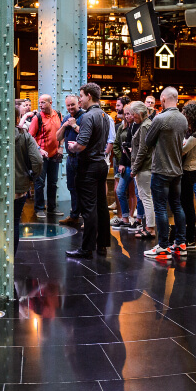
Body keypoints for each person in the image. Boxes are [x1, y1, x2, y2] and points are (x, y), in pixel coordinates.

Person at [134, 87, 187, 260]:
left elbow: (148, 141)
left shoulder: (161, 118)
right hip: (177, 170)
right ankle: (181, 244)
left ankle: (163, 247)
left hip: (161, 169)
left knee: (160, 208)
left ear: (163, 99)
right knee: (177, 206)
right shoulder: (182, 119)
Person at [66, 83, 111, 259]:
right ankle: (102, 245)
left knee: (89, 208)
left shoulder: (87, 116)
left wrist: (73, 147)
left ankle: (86, 248)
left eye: (81, 96)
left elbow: (82, 143)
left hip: (89, 166)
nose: (80, 99)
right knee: (102, 207)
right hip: (101, 164)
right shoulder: (104, 115)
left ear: (89, 96)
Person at [28, 94, 63, 219]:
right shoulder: (37, 118)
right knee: (39, 183)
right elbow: (30, 137)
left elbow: (62, 132)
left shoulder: (58, 115)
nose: (40, 105)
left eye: (43, 102)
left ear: (50, 102)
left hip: (54, 155)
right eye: (40, 103)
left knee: (53, 183)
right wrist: (39, 149)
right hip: (41, 156)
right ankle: (39, 208)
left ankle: (52, 208)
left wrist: (61, 147)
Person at [14, 107, 44, 248]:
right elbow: (37, 161)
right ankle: (11, 260)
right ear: (18, 118)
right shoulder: (25, 136)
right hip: (18, 188)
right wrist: (32, 177)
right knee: (14, 223)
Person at [180, 101, 196, 246]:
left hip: (189, 171)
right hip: (190, 171)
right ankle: (188, 237)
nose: (183, 117)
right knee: (186, 204)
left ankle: (190, 239)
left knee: (187, 205)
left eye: (185, 114)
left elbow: (182, 151)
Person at [129, 101, 155, 239]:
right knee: (146, 197)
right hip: (145, 167)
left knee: (146, 198)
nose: (132, 117)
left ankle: (150, 228)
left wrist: (134, 168)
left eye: (133, 114)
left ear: (139, 113)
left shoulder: (145, 126)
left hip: (144, 168)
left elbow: (142, 150)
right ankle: (148, 227)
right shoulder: (147, 124)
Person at [58, 94, 85, 228]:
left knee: (82, 189)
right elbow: (58, 137)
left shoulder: (84, 116)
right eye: (68, 105)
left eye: (72, 105)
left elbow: (87, 136)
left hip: (82, 158)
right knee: (71, 187)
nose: (70, 108)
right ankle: (74, 216)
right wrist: (64, 126)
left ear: (78, 103)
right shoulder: (67, 117)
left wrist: (74, 126)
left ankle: (85, 218)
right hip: (70, 158)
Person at [111, 101, 134, 229]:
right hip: (124, 163)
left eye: (128, 114)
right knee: (119, 190)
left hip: (135, 164)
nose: (126, 116)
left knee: (134, 193)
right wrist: (122, 161)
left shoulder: (138, 126)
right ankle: (124, 217)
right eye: (125, 114)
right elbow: (117, 144)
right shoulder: (122, 127)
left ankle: (133, 218)